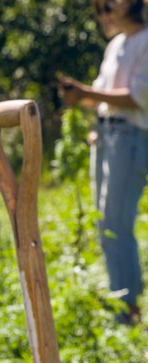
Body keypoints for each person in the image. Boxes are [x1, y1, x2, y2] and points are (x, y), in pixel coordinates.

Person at [59, 0, 148, 325]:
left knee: (117, 224)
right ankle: (121, 302)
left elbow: (139, 97)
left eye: (110, 6)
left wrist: (87, 93)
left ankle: (127, 309)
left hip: (132, 137)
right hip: (108, 136)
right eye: (101, 10)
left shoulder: (146, 41)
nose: (105, 14)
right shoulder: (115, 46)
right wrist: (80, 97)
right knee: (104, 222)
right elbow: (100, 93)